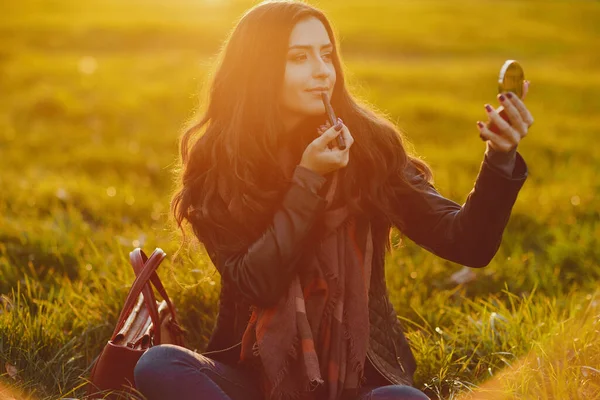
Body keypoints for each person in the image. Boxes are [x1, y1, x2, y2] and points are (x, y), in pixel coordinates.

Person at [133, 1, 534, 399]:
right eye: (299, 57)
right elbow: (258, 284)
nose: (322, 70)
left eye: (326, 54)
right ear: (258, 70)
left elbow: (468, 242)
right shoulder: (221, 163)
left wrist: (499, 158)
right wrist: (308, 180)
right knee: (160, 364)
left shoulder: (368, 146)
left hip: (358, 378)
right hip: (255, 376)